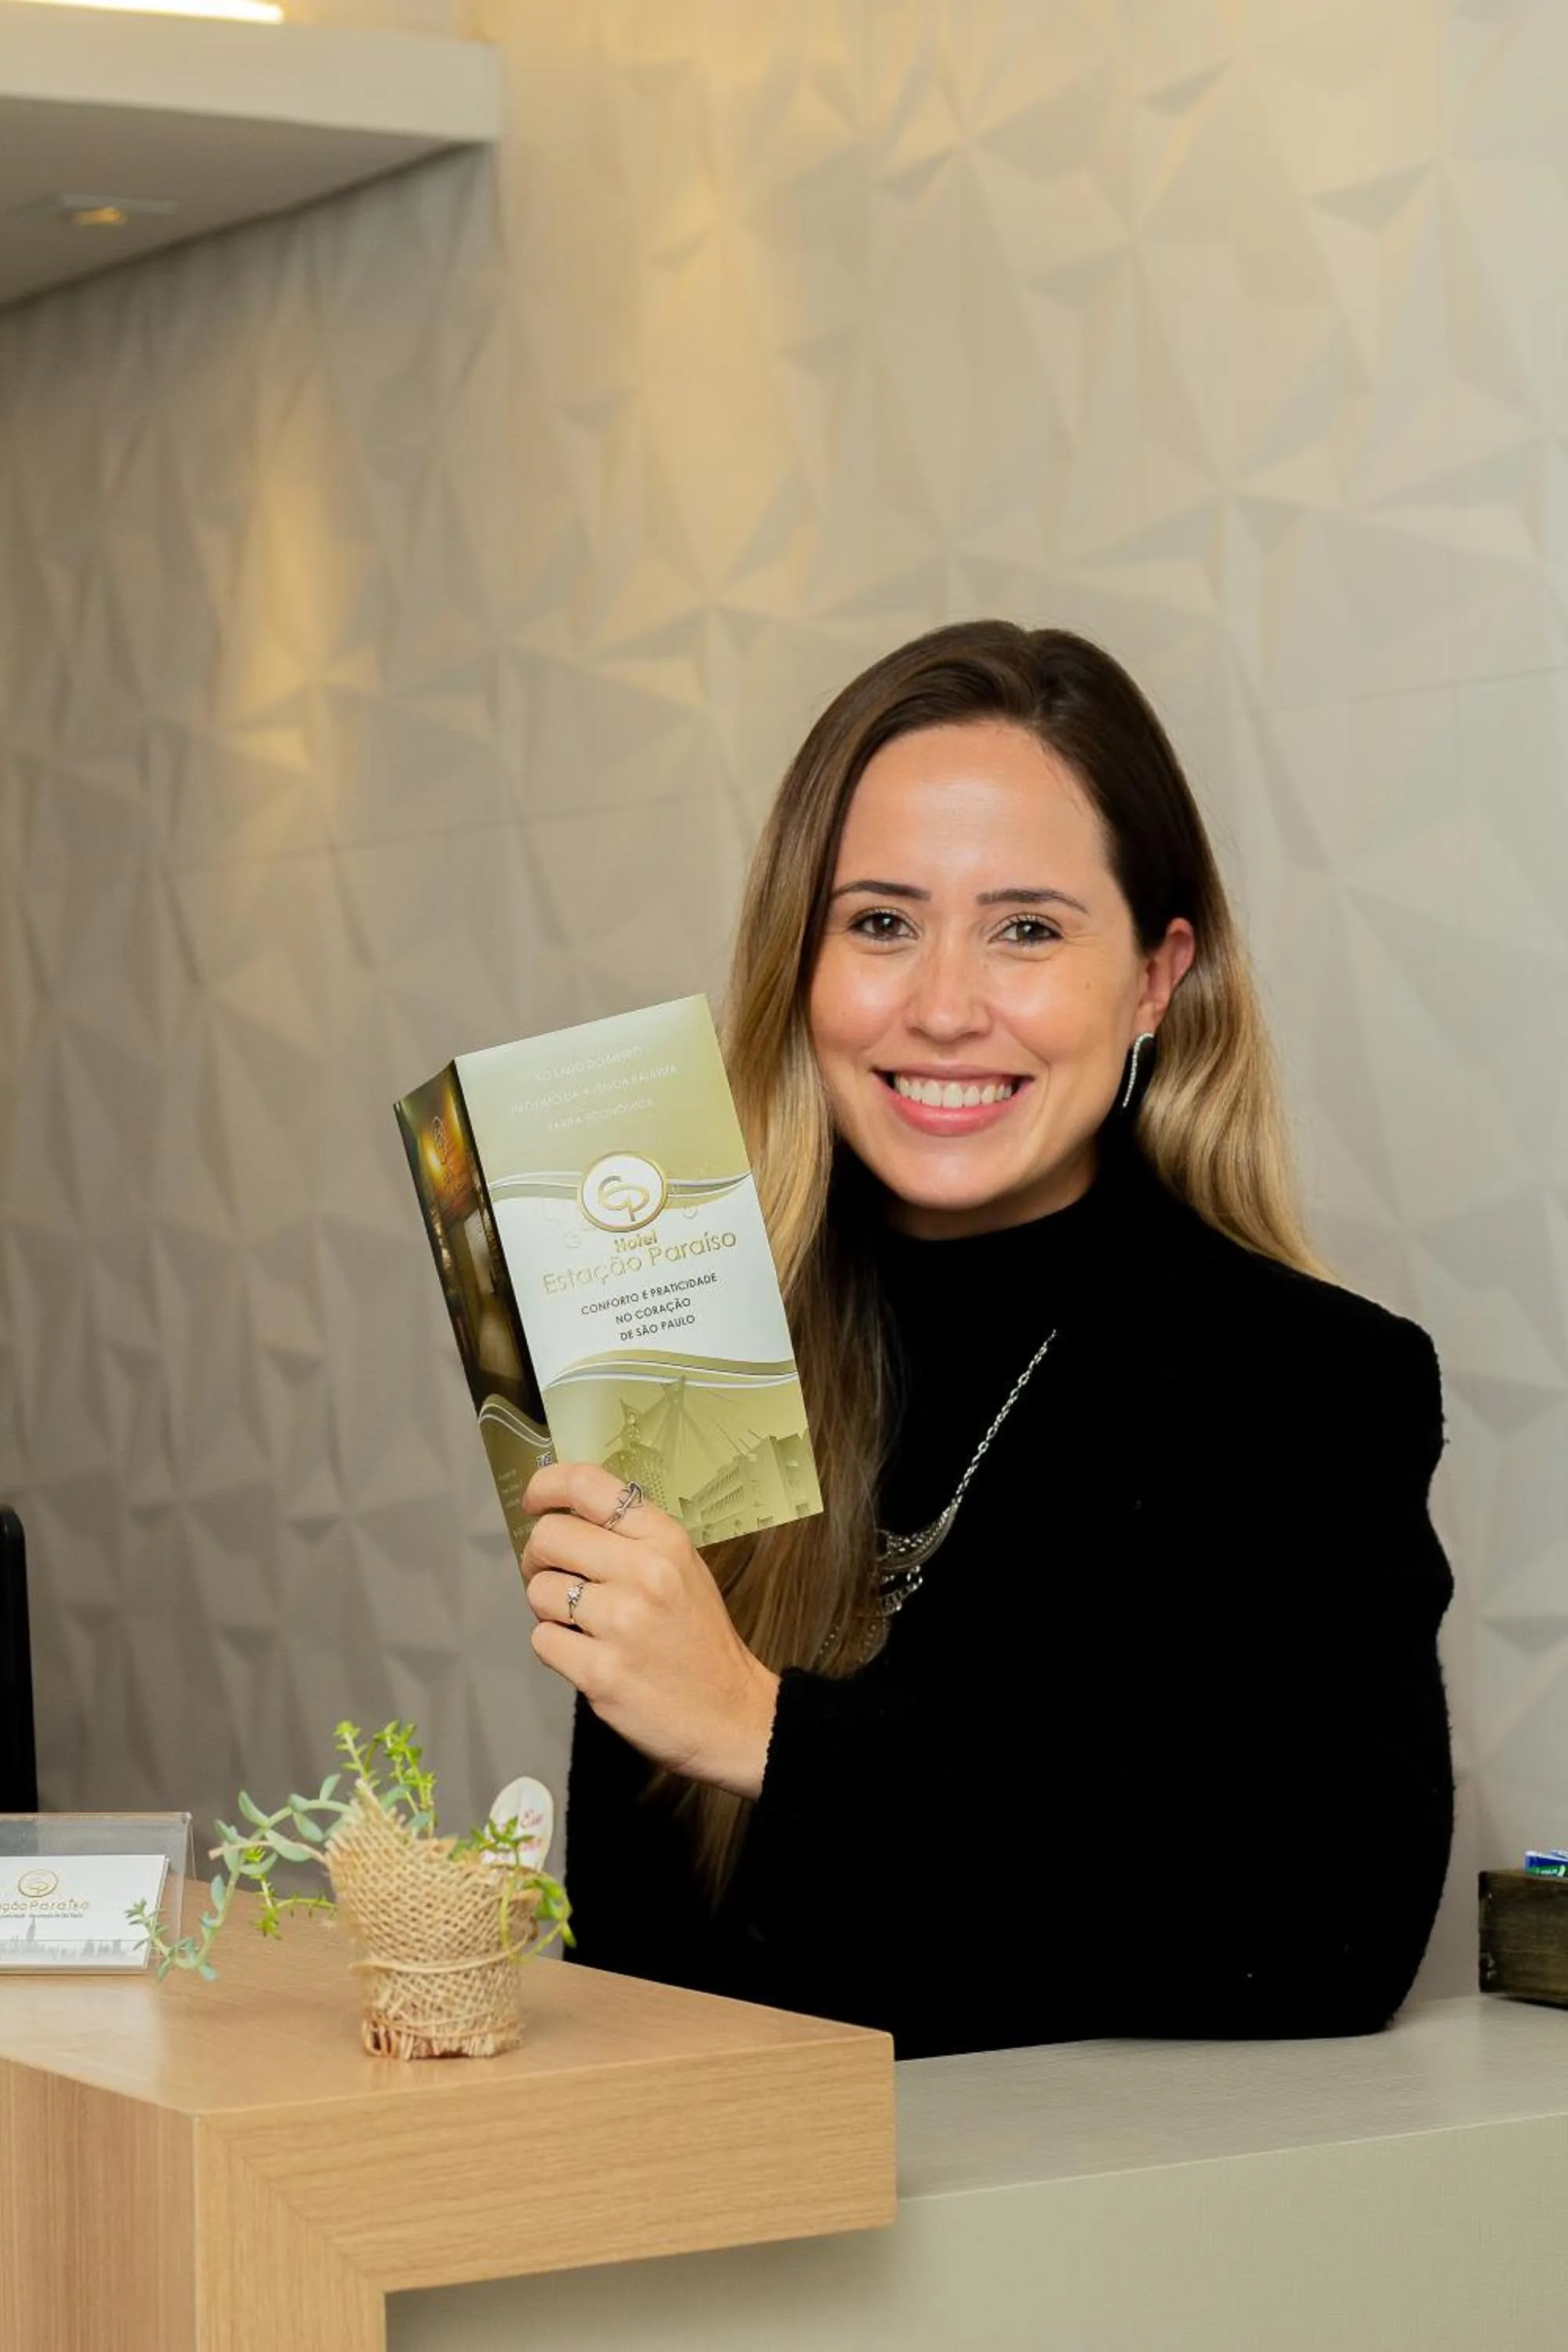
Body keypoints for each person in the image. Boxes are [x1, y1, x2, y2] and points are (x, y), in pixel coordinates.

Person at [518, 621, 1455, 2060]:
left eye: (1027, 928)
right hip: (725, 2245)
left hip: (1096, 2262)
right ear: (804, 964)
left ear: (1154, 977)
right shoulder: (685, 1345)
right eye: (880, 922)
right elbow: (650, 1967)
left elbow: (1336, 1919)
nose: (944, 1007)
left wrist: (765, 1729)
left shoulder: (1309, 1379)